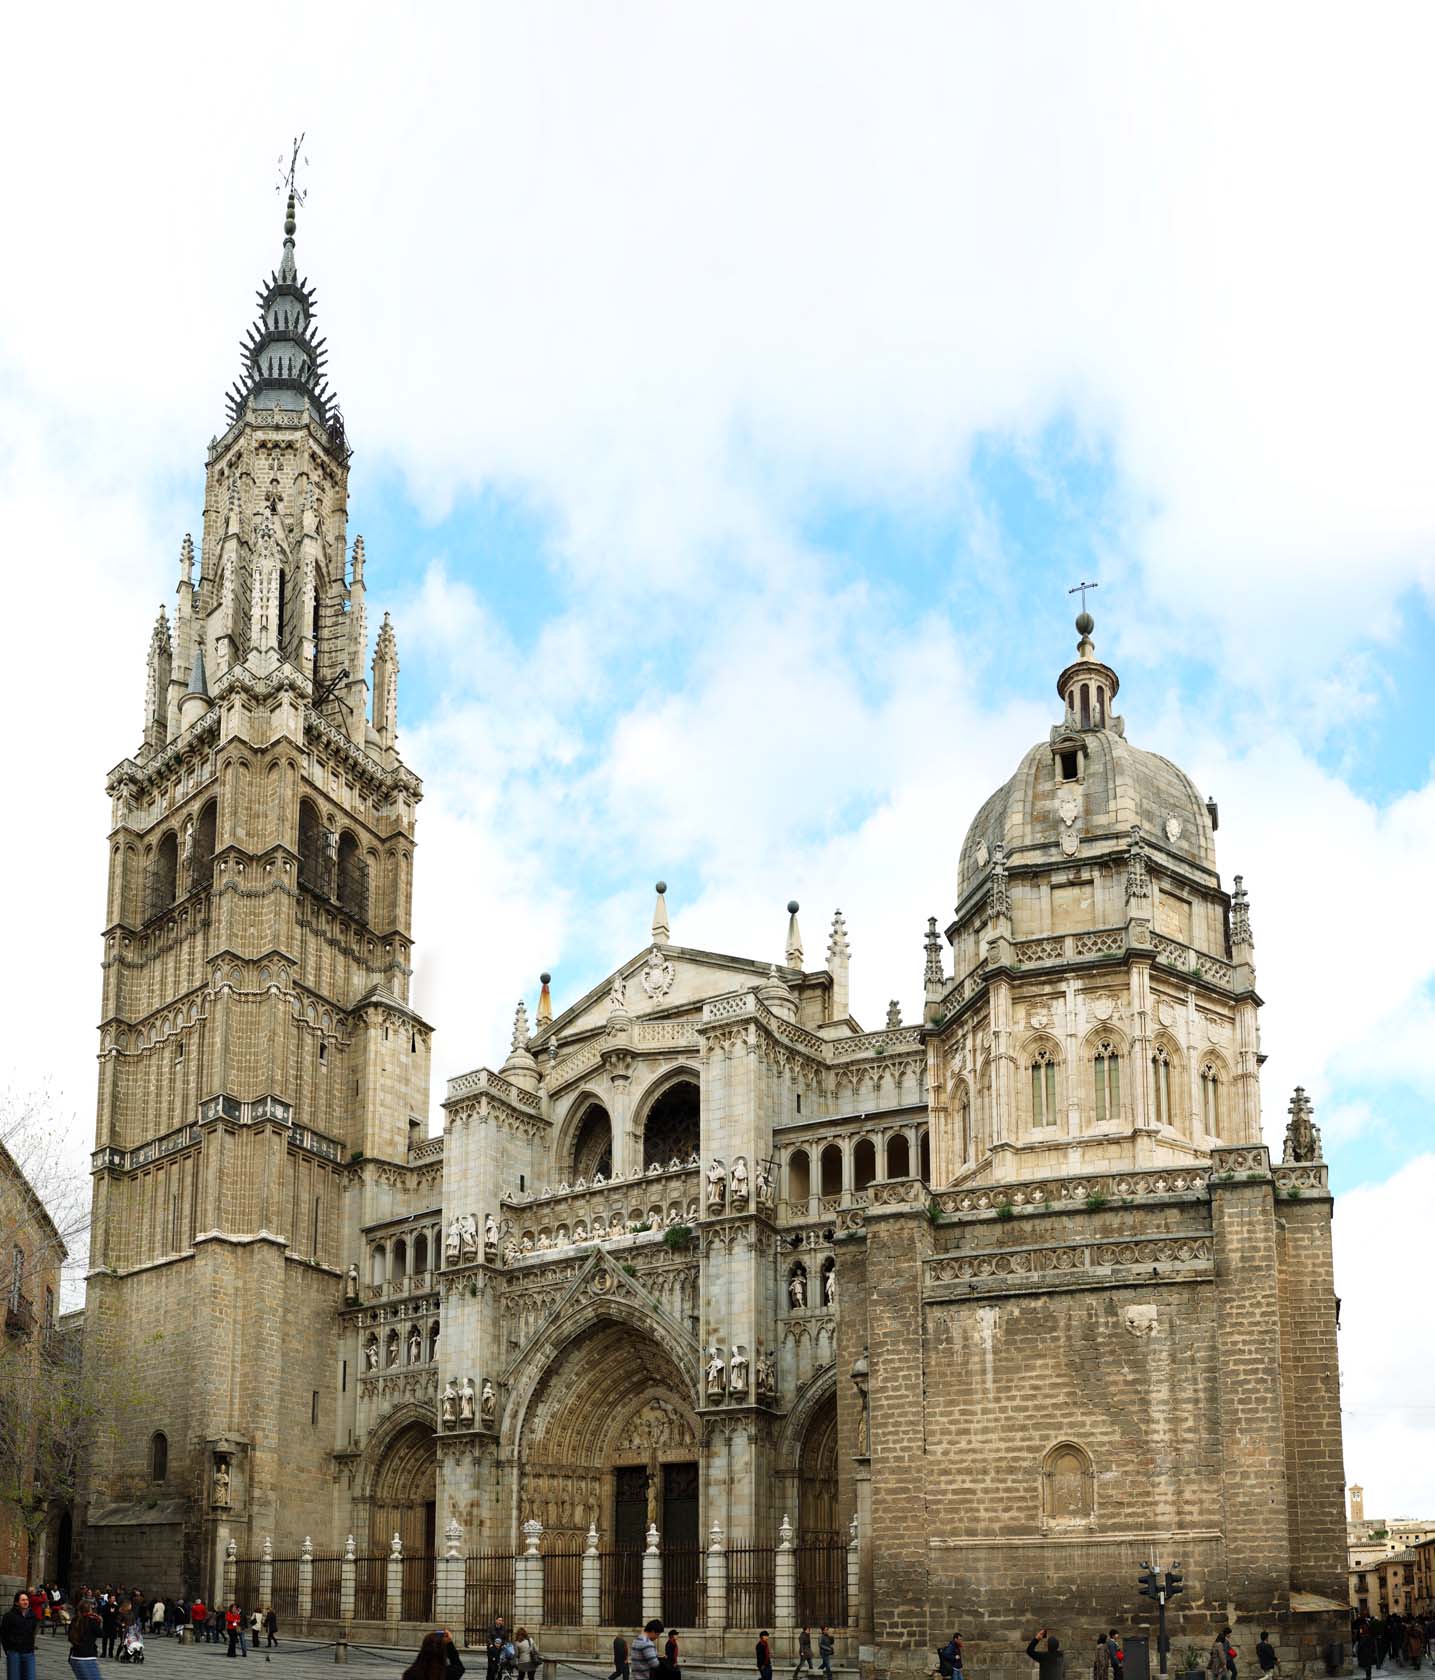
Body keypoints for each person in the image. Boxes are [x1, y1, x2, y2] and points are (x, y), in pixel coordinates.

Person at [2, 1591, 39, 1680]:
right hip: (14, 1653)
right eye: (22, 1600)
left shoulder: (32, 1615)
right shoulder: (9, 1616)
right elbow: (4, 1634)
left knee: (30, 1677)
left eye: (26, 1600)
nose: (26, 1602)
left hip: (28, 1653)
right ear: (16, 1602)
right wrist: (8, 1649)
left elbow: (33, 1632)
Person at [66, 1598, 103, 1680]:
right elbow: (101, 1634)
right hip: (86, 1658)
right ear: (89, 1609)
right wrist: (99, 1621)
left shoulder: (74, 1620)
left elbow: (70, 1637)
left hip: (74, 1656)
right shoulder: (92, 1621)